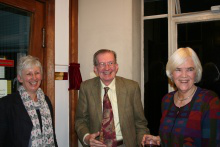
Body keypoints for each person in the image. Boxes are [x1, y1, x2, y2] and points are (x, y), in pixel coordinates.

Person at [75, 49, 160, 147]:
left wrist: (143, 141)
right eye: (102, 64)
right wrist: (87, 138)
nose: (107, 68)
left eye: (110, 63)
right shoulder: (86, 87)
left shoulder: (132, 87)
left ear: (116, 67)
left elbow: (140, 123)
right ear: (95, 69)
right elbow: (80, 121)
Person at [159, 47, 220, 146]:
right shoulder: (167, 100)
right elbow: (175, 136)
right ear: (171, 73)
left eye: (189, 69)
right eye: (178, 69)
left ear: (196, 72)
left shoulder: (209, 101)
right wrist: (159, 140)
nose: (184, 75)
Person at [0, 55, 58, 147]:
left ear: (41, 76)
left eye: (37, 73)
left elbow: (52, 136)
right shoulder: (7, 104)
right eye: (29, 74)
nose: (34, 78)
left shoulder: (46, 101)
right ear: (19, 78)